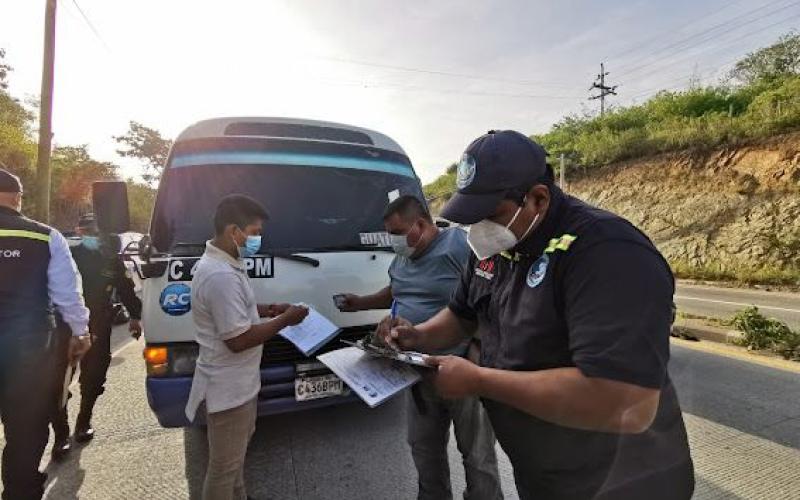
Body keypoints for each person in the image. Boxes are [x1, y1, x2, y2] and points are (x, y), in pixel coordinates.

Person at [380, 131, 695, 500]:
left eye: (489, 215)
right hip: (544, 474)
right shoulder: (494, 249)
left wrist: (479, 380)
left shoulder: (607, 252)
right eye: (471, 217)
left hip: (620, 481)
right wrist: (417, 336)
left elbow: (625, 402)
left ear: (537, 198)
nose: (478, 229)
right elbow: (462, 315)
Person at [338, 195, 503, 500]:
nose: (394, 241)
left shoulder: (459, 247)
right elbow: (395, 290)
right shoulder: (403, 256)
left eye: (398, 233)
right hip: (416, 371)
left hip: (463, 368)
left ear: (422, 224)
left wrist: (479, 349)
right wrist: (360, 304)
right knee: (424, 449)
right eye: (390, 234)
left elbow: (491, 296)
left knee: (477, 457)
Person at [185, 194, 309, 500]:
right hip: (229, 390)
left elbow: (235, 311)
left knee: (234, 460)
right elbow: (237, 340)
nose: (257, 239)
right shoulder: (220, 275)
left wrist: (267, 309)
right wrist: (286, 320)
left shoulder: (226, 265)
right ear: (233, 231)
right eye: (254, 233)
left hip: (239, 384)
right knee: (224, 468)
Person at [0, 168, 91, 499]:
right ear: (17, 198)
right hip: (29, 349)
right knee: (25, 431)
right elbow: (68, 293)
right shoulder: (45, 236)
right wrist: (81, 332)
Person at [49, 213, 144, 460]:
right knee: (57, 382)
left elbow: (126, 290)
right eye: (86, 231)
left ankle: (83, 422)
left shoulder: (110, 259)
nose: (91, 236)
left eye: (95, 231)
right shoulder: (64, 255)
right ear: (78, 231)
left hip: (98, 324)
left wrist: (135, 317)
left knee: (94, 377)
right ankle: (61, 435)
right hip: (63, 326)